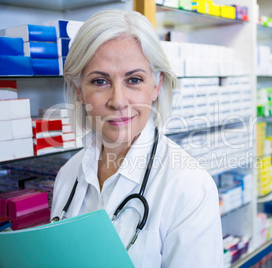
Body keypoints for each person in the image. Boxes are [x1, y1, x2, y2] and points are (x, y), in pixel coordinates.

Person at [50, 9, 223, 267]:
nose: (118, 101)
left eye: (134, 79)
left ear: (155, 86)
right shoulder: (67, 174)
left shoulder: (190, 187)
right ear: (79, 91)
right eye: (99, 81)